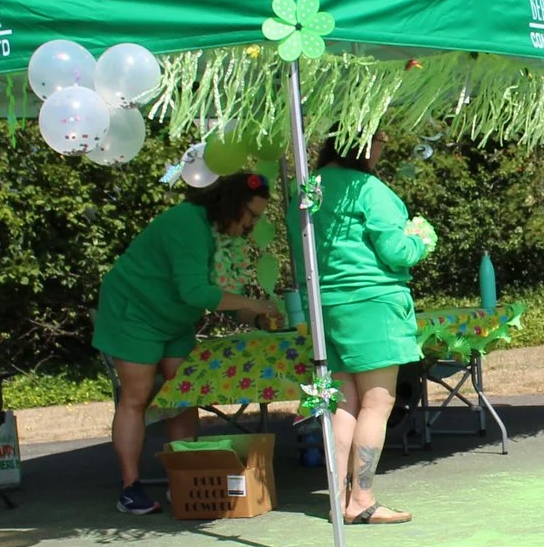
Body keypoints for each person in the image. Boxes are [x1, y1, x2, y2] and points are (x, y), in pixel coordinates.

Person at [94, 173, 282, 515]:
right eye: (251, 216)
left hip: (174, 319)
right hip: (133, 313)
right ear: (231, 205)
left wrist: (253, 317)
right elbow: (195, 292)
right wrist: (254, 304)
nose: (253, 225)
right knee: (136, 398)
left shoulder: (209, 229)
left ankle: (184, 477)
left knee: (182, 391)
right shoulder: (187, 224)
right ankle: (130, 488)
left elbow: (208, 294)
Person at [291, 134, 437, 524]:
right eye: (378, 143)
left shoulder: (309, 189)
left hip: (326, 307)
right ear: (360, 145)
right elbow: (395, 251)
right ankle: (363, 498)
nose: (380, 151)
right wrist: (421, 240)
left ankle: (338, 499)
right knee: (377, 403)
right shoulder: (369, 188)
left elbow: (298, 249)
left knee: (343, 402)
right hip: (372, 305)